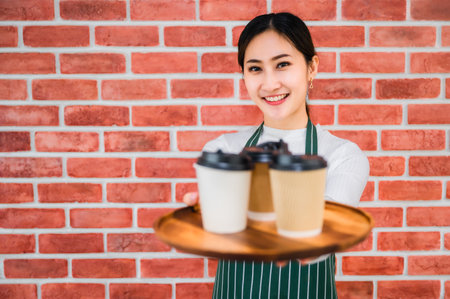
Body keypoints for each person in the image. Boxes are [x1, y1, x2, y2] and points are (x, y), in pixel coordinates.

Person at [184, 12, 369, 298]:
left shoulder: (342, 155)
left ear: (311, 67)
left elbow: (328, 230)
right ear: (244, 76)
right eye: (256, 69)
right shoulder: (224, 150)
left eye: (282, 64)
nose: (270, 84)